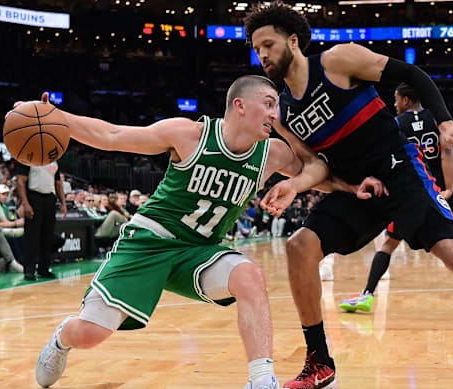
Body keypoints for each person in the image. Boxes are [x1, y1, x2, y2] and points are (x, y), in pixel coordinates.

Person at [245, 1, 453, 389]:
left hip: (401, 171)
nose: (263, 55)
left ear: (293, 40)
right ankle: (320, 362)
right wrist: (297, 185)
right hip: (363, 189)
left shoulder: (337, 61)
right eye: (257, 49)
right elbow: (317, 166)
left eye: (268, 44)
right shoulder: (285, 112)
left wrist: (445, 124)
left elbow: (412, 74)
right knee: (298, 247)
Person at [25, 76, 355, 389]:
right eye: (268, 104)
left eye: (276, 107)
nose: (275, 113)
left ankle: (261, 379)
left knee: (249, 276)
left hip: (200, 251)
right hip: (149, 243)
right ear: (239, 105)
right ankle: (61, 338)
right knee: (91, 334)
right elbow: (112, 136)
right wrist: (58, 117)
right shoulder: (189, 135)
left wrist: (337, 185)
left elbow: (318, 168)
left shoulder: (272, 153)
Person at [338, 83, 453, 316]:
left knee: (388, 245)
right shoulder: (437, 119)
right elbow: (447, 151)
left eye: (396, 99)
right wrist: (447, 187)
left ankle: (367, 295)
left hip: (414, 191)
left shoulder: (397, 124)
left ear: (405, 100)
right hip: (443, 190)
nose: (394, 104)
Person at [15, 160, 67, 281]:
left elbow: (58, 183)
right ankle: (29, 270)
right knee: (31, 236)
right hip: (34, 197)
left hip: (50, 198)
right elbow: (20, 181)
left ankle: (44, 269)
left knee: (47, 236)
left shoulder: (54, 161)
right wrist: (25, 203)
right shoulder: (28, 158)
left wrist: (63, 203)